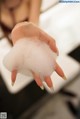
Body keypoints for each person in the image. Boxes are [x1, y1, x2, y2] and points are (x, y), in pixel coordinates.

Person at [11, 22, 67, 89]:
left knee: (41, 73)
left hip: (33, 46)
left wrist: (24, 30)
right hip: (18, 53)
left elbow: (33, 23)